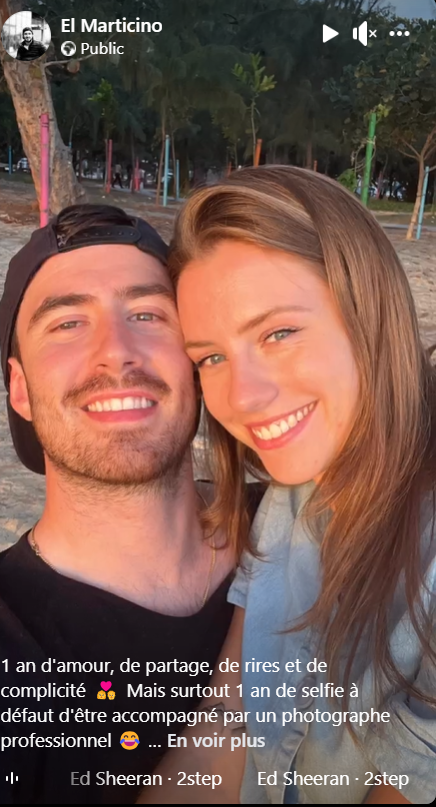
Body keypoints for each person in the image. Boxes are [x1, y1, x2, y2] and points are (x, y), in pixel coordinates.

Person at [138, 166, 436, 805]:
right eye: (211, 357)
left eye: (278, 333)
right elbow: (227, 716)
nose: (242, 397)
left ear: (368, 307)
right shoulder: (292, 494)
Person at [0, 204, 264, 804]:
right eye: (67, 323)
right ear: (20, 389)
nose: (117, 351)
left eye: (147, 315)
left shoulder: (311, 516)